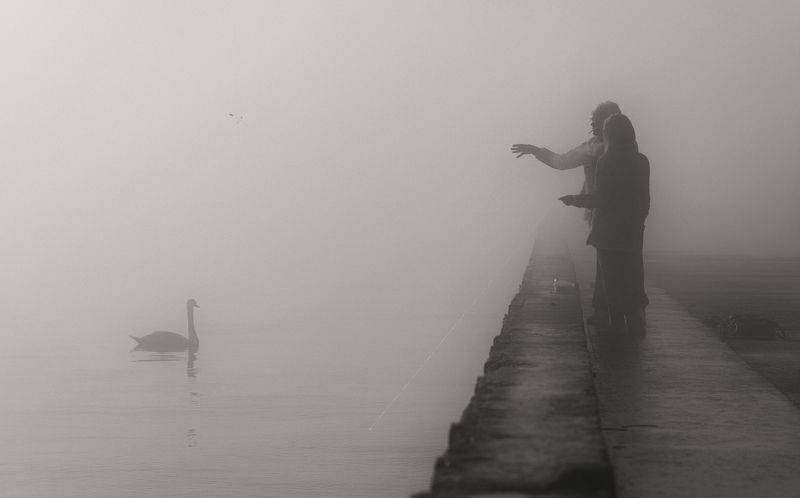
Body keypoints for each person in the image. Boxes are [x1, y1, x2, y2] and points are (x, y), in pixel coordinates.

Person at [511, 101, 621, 326]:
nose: (591, 125)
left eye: (595, 121)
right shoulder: (628, 149)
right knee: (620, 264)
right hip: (624, 214)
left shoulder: (593, 148)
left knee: (606, 264)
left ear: (604, 123)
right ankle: (621, 313)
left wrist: (536, 151)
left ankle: (604, 312)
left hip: (600, 211)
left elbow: (560, 162)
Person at [558, 114, 650, 336]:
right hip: (632, 231)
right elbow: (645, 199)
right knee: (633, 279)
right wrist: (639, 222)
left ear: (609, 136)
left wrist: (574, 200)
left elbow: (601, 199)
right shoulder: (641, 161)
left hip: (608, 234)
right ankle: (637, 324)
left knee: (612, 285)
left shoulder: (607, 161)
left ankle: (617, 327)